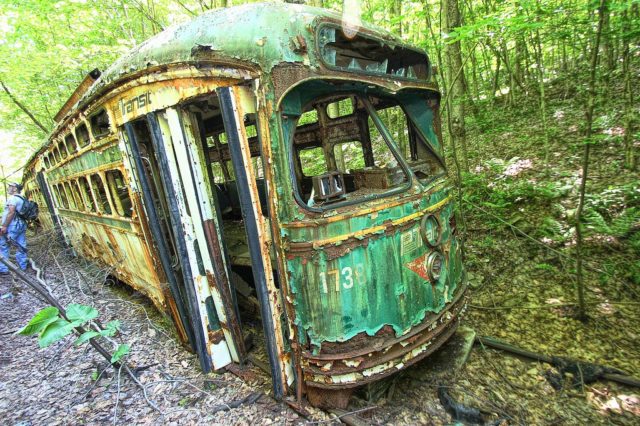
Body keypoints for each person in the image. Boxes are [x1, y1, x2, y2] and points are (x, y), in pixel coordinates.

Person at [0, 182, 28, 275]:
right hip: (21, 224)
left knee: (3, 245)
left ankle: (3, 269)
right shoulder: (22, 198)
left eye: (10, 186)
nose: (8, 188)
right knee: (21, 245)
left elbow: (11, 212)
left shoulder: (12, 198)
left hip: (12, 226)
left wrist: (4, 226)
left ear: (15, 188)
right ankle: (22, 266)